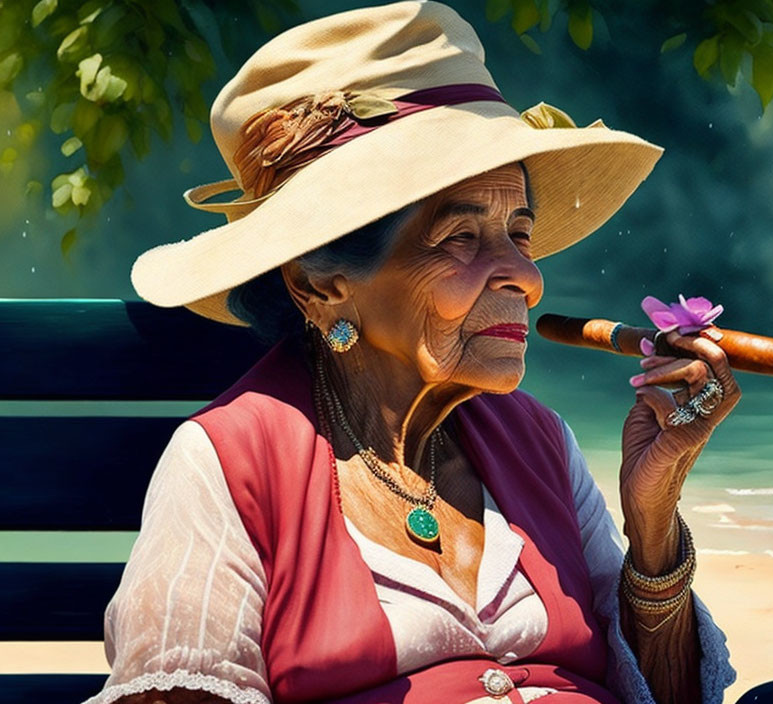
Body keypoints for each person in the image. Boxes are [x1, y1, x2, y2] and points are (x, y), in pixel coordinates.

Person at [86, 3, 739, 703]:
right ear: (321, 284)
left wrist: (652, 517)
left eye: (519, 232)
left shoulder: (544, 440)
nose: (526, 275)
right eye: (461, 237)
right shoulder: (229, 462)